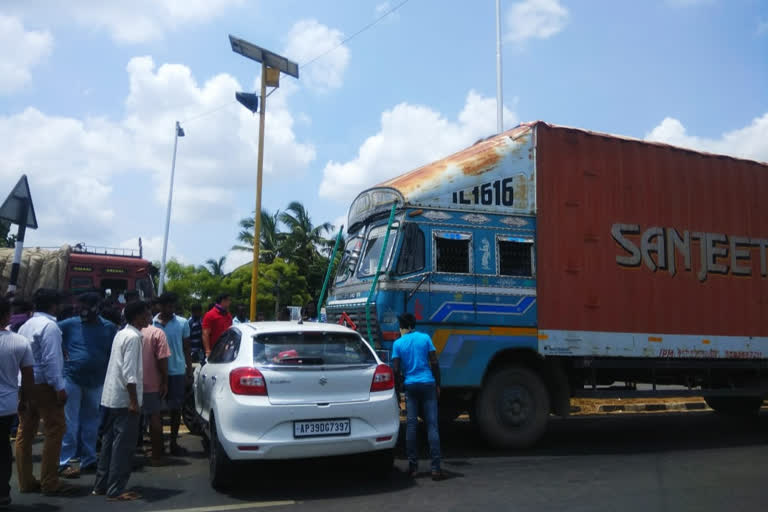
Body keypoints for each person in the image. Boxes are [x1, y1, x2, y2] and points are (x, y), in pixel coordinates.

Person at [15, 289, 77, 496]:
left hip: (25, 383)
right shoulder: (50, 326)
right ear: (54, 305)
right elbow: (52, 360)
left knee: (26, 431)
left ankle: (25, 481)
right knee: (55, 429)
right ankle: (50, 482)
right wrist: (59, 387)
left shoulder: (26, 325)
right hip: (45, 385)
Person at [57, 293, 118, 479]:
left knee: (92, 422)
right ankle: (63, 462)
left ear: (96, 307)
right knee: (70, 422)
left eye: (86, 307)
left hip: (97, 382)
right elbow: (53, 339)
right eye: (79, 307)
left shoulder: (109, 328)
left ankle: (89, 459)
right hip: (72, 379)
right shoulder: (69, 324)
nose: (81, 311)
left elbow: (113, 354)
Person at [93, 300, 148, 502]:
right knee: (122, 446)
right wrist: (134, 401)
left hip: (111, 397)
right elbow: (129, 373)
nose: (149, 317)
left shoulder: (121, 333)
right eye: (146, 313)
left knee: (109, 443)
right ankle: (115, 489)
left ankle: (101, 485)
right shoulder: (133, 337)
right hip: (125, 399)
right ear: (137, 317)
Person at [391, 312, 443, 481]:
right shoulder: (425, 338)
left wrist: (399, 391)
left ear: (403, 326)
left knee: (411, 426)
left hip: (411, 386)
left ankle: (413, 468)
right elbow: (434, 362)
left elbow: (396, 370)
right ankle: (435, 468)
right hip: (428, 384)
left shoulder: (398, 343)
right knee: (432, 425)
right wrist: (437, 385)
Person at [0, 297, 35, 507]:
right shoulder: (20, 341)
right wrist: (25, 400)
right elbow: (28, 376)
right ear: (7, 316)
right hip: (6, 406)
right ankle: (3, 493)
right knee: (3, 450)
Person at [152, 292, 191, 456]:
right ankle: (158, 445)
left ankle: (173, 443)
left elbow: (186, 348)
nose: (171, 309)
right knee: (156, 411)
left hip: (176, 371)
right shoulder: (151, 322)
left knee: (176, 409)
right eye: (168, 305)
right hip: (155, 373)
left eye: (173, 306)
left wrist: (189, 370)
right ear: (160, 306)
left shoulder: (182, 323)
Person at [140, 309, 170, 466]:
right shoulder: (157, 333)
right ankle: (157, 455)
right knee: (155, 418)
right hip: (152, 383)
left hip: (132, 384)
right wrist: (164, 381)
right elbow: (162, 360)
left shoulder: (128, 332)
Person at [202, 294, 232, 359]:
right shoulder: (210, 315)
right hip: (214, 351)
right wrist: (207, 351)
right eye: (229, 300)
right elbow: (205, 334)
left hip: (227, 350)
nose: (230, 302)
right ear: (223, 301)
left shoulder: (228, 315)